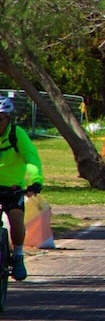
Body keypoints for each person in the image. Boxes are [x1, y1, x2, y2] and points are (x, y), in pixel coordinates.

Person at [0, 97, 43, 281]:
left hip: (12, 188)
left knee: (16, 219)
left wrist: (35, 181)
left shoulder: (17, 135)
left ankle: (18, 255)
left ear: (8, 118)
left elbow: (31, 159)